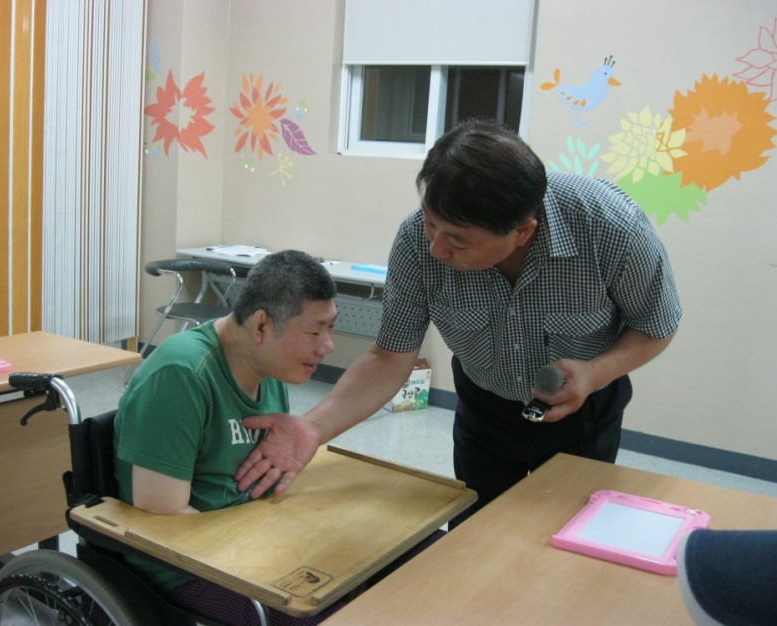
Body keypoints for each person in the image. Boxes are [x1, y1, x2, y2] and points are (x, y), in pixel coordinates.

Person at [235, 119, 682, 528]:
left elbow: (656, 326)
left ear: (522, 232)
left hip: (584, 414)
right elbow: (389, 358)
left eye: (458, 241)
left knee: (568, 536)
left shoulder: (610, 229)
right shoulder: (416, 241)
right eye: (432, 224)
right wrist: (312, 427)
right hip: (485, 410)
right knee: (476, 533)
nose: (437, 250)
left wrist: (594, 372)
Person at [114, 249, 345, 625]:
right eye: (315, 331)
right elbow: (162, 512)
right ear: (261, 325)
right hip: (188, 569)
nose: (328, 346)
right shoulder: (182, 373)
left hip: (250, 542)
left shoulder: (269, 368)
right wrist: (263, 555)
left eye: (331, 328)